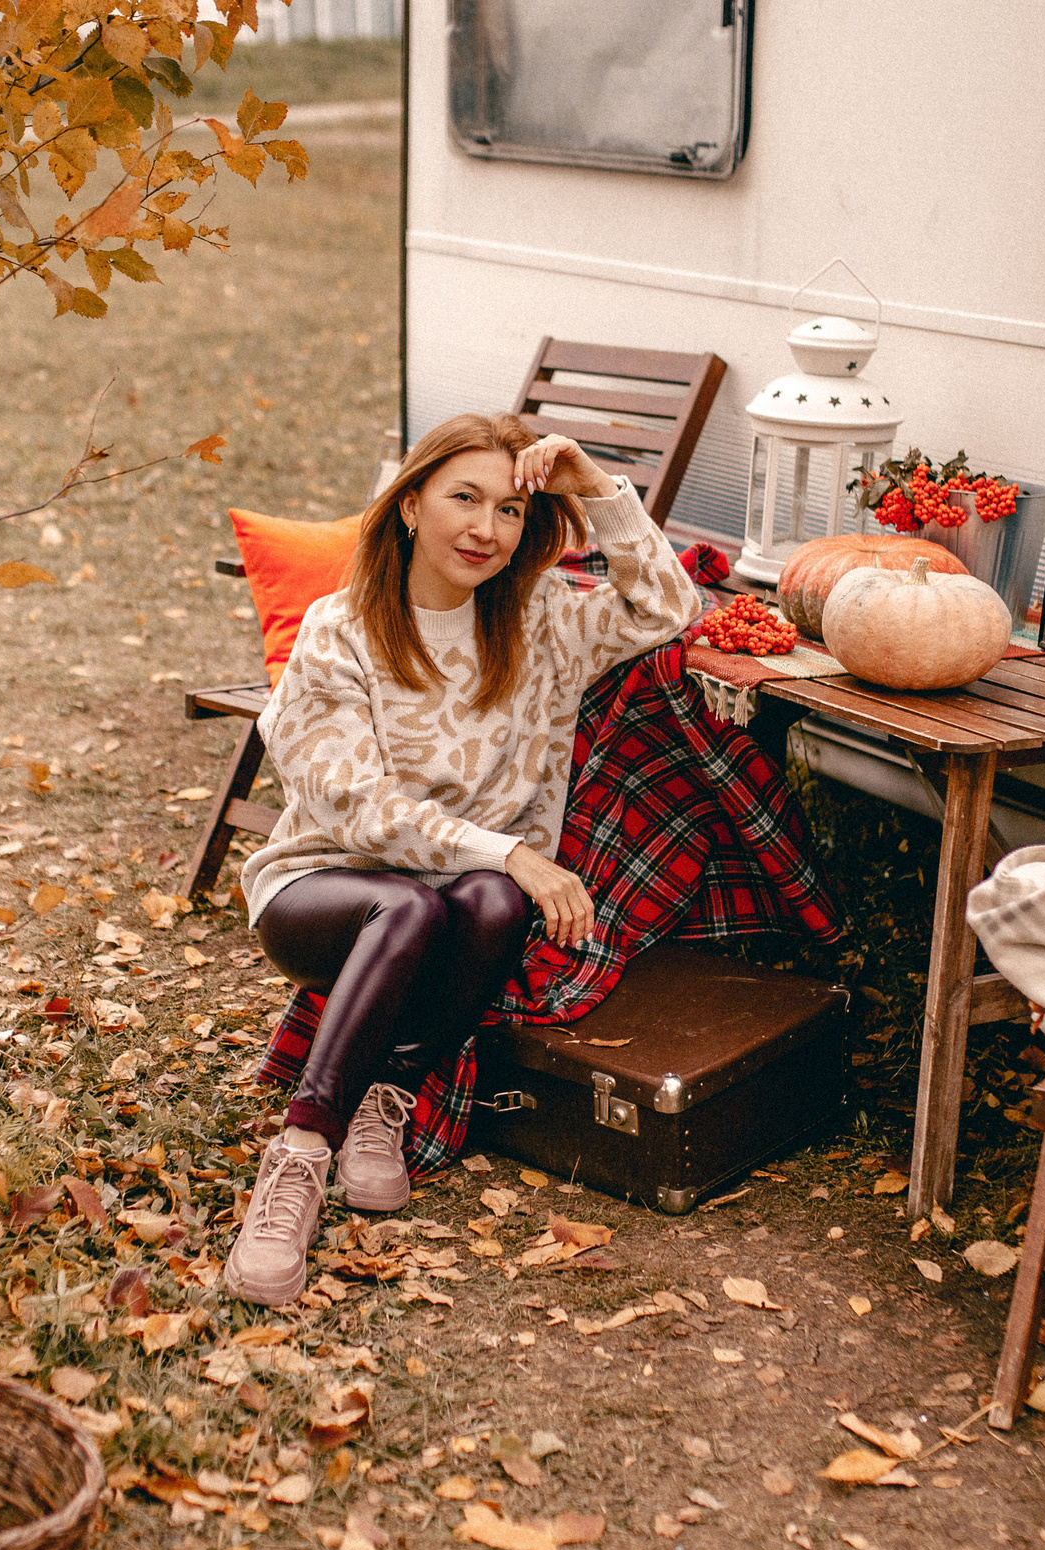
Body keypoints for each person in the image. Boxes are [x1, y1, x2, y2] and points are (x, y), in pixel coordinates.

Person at [223, 413, 698, 1305]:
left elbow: (669, 607)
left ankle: (386, 1097)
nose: (486, 529)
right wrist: (512, 850)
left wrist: (593, 486)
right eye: (464, 498)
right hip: (324, 887)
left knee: (489, 903)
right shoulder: (341, 630)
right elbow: (357, 810)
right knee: (412, 904)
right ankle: (299, 1159)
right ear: (408, 505)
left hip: (463, 900)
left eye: (512, 510)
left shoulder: (541, 619)